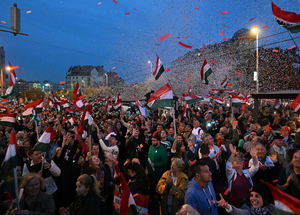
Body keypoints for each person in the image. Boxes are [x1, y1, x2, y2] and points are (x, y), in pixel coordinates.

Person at [146, 134, 168, 204]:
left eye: (154, 140)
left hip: (158, 174)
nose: (152, 142)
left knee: (158, 187)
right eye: (151, 140)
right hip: (150, 172)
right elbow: (148, 158)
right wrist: (146, 168)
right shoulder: (151, 147)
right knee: (151, 187)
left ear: (158, 141)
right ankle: (151, 198)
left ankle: (158, 200)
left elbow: (165, 162)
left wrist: (155, 165)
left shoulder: (162, 150)